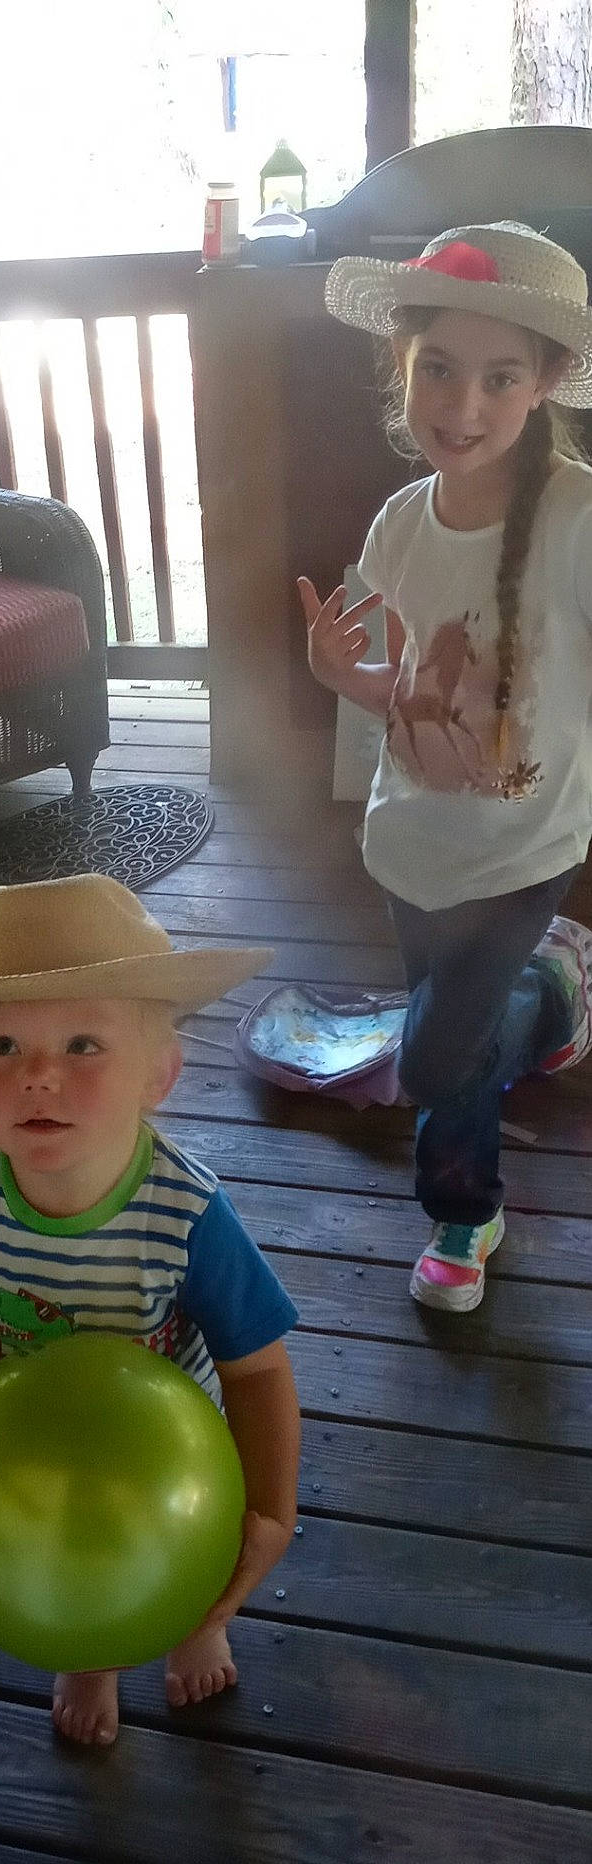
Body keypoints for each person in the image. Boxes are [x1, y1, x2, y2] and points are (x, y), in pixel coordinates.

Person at [0, 873, 300, 1746]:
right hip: (31, 1465)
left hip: (177, 1479)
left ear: (158, 1074)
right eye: (5, 1047)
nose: (41, 1076)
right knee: (70, 1569)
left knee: (186, 1567)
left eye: (85, 1044)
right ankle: (87, 1647)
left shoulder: (188, 1215)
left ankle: (195, 1619)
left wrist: (271, 1508)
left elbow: (259, 1367)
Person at [297, 220, 592, 1312]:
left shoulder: (577, 519)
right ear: (402, 365)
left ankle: (464, 1215)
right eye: (440, 369)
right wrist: (343, 675)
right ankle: (554, 1002)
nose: (462, 407)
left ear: (547, 381)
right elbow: (395, 687)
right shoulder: (395, 525)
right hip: (410, 845)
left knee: (429, 1063)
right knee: (454, 1044)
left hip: (524, 851)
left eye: (500, 376)